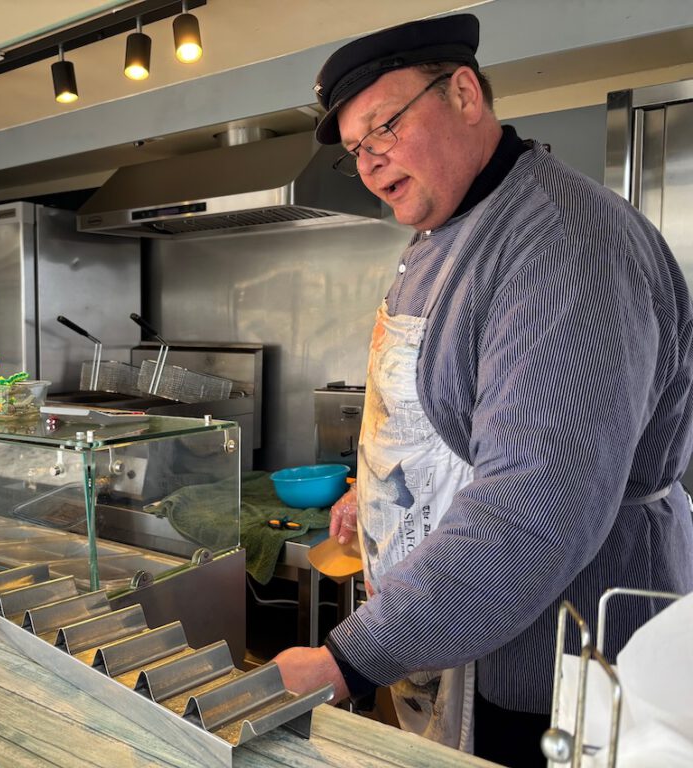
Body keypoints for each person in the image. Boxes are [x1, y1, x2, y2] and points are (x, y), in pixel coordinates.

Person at [272, 13, 693, 768]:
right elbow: (447, 423)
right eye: (357, 150)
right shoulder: (450, 230)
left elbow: (536, 507)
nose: (369, 163)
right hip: (461, 638)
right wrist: (374, 497)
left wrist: (347, 660)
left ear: (464, 93)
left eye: (384, 128)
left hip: (553, 669)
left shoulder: (563, 244)